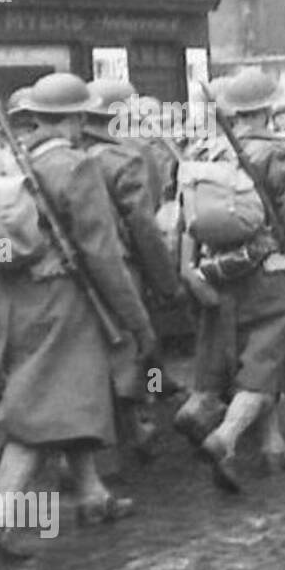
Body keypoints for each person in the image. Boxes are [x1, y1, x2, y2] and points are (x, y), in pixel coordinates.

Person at [0, 72, 158, 557]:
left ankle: (92, 493)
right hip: (63, 302)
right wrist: (136, 319)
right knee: (40, 411)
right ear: (78, 117)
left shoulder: (5, 160)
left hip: (13, 299)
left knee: (69, 395)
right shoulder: (75, 167)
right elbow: (102, 253)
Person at [174, 69, 285, 491]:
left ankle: (271, 443)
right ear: (267, 109)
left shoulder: (208, 152)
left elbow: (184, 220)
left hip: (221, 271)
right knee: (264, 365)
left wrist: (190, 272)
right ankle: (225, 437)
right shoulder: (279, 155)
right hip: (272, 275)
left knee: (249, 359)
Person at [82, 80, 182, 459]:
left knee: (114, 345)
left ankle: (143, 408)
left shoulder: (75, 154)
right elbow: (144, 225)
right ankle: (137, 415)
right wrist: (165, 280)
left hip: (81, 268)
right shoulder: (125, 157)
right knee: (140, 339)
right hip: (125, 264)